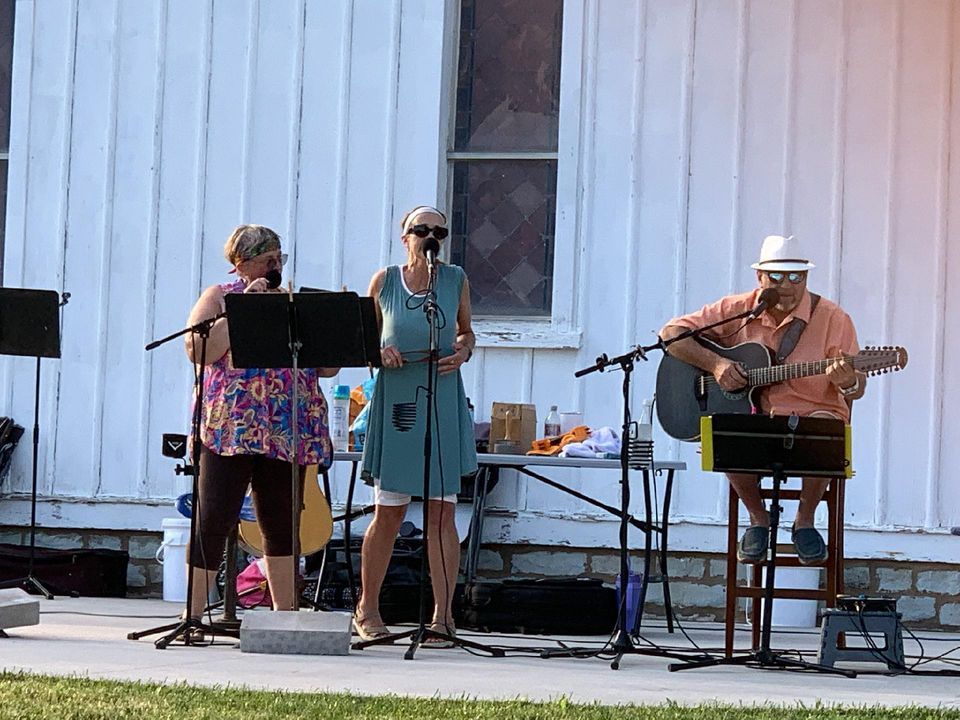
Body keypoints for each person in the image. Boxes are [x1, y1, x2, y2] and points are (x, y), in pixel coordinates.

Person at [659, 234, 865, 565]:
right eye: (777, 276)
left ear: (806, 278)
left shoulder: (833, 319)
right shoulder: (735, 309)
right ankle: (758, 519)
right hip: (754, 421)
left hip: (811, 420)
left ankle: (805, 521)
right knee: (725, 431)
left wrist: (851, 382)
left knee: (828, 431)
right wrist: (716, 364)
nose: (787, 285)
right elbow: (670, 335)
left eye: (796, 277)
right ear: (760, 278)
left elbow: (856, 388)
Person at [183, 224, 338, 618]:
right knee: (213, 517)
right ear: (242, 264)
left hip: (286, 428)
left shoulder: (291, 302)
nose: (275, 268)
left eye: (279, 260)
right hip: (230, 428)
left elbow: (328, 367)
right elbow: (199, 351)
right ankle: (193, 614)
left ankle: (285, 615)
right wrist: (244, 309)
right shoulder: (220, 297)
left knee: (281, 521)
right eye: (268, 260)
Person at [355, 205, 477, 647]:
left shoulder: (454, 279)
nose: (430, 236)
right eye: (421, 229)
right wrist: (378, 352)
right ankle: (367, 608)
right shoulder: (384, 281)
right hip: (398, 396)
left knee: (441, 510)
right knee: (388, 510)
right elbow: (363, 337)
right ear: (404, 236)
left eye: (438, 231)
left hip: (440, 392)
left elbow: (465, 332)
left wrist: (462, 352)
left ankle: (443, 616)